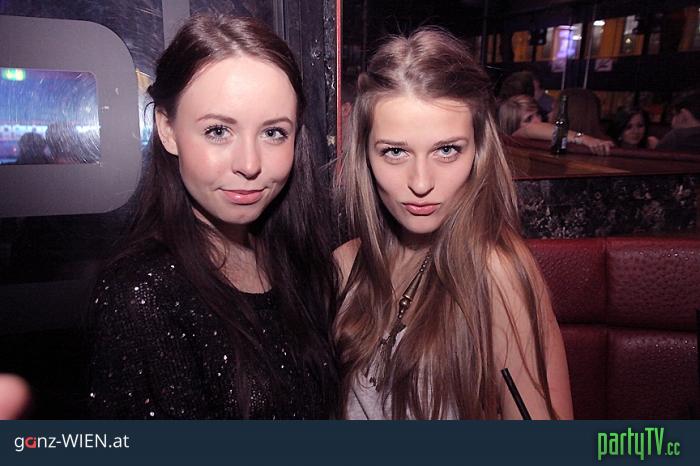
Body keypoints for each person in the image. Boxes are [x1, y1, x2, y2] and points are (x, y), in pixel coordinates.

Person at [88, 14, 338, 419]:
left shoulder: (294, 260)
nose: (249, 164)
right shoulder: (143, 294)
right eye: (218, 131)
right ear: (168, 129)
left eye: (273, 132)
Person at [334, 28, 573, 420]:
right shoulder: (347, 266)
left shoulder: (494, 273)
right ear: (365, 156)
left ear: (479, 151)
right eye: (395, 152)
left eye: (446, 150)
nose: (421, 182)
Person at [498, 94, 613, 155]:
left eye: (537, 114)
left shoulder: (544, 139)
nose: (538, 120)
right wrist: (583, 138)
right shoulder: (515, 137)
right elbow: (530, 129)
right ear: (512, 125)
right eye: (528, 119)